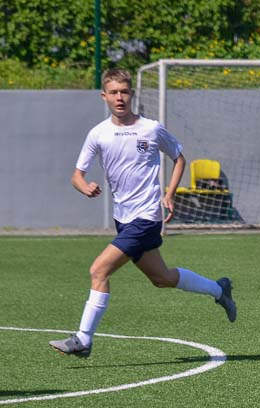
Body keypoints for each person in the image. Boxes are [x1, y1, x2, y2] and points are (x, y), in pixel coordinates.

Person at [49, 69, 237, 358]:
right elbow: (77, 174)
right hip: (123, 219)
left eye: (124, 91)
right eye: (113, 92)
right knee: (161, 278)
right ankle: (219, 290)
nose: (119, 97)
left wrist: (169, 194)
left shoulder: (151, 128)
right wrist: (84, 186)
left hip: (147, 217)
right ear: (104, 96)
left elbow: (179, 158)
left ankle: (83, 340)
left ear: (131, 94)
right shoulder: (98, 133)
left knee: (98, 270)